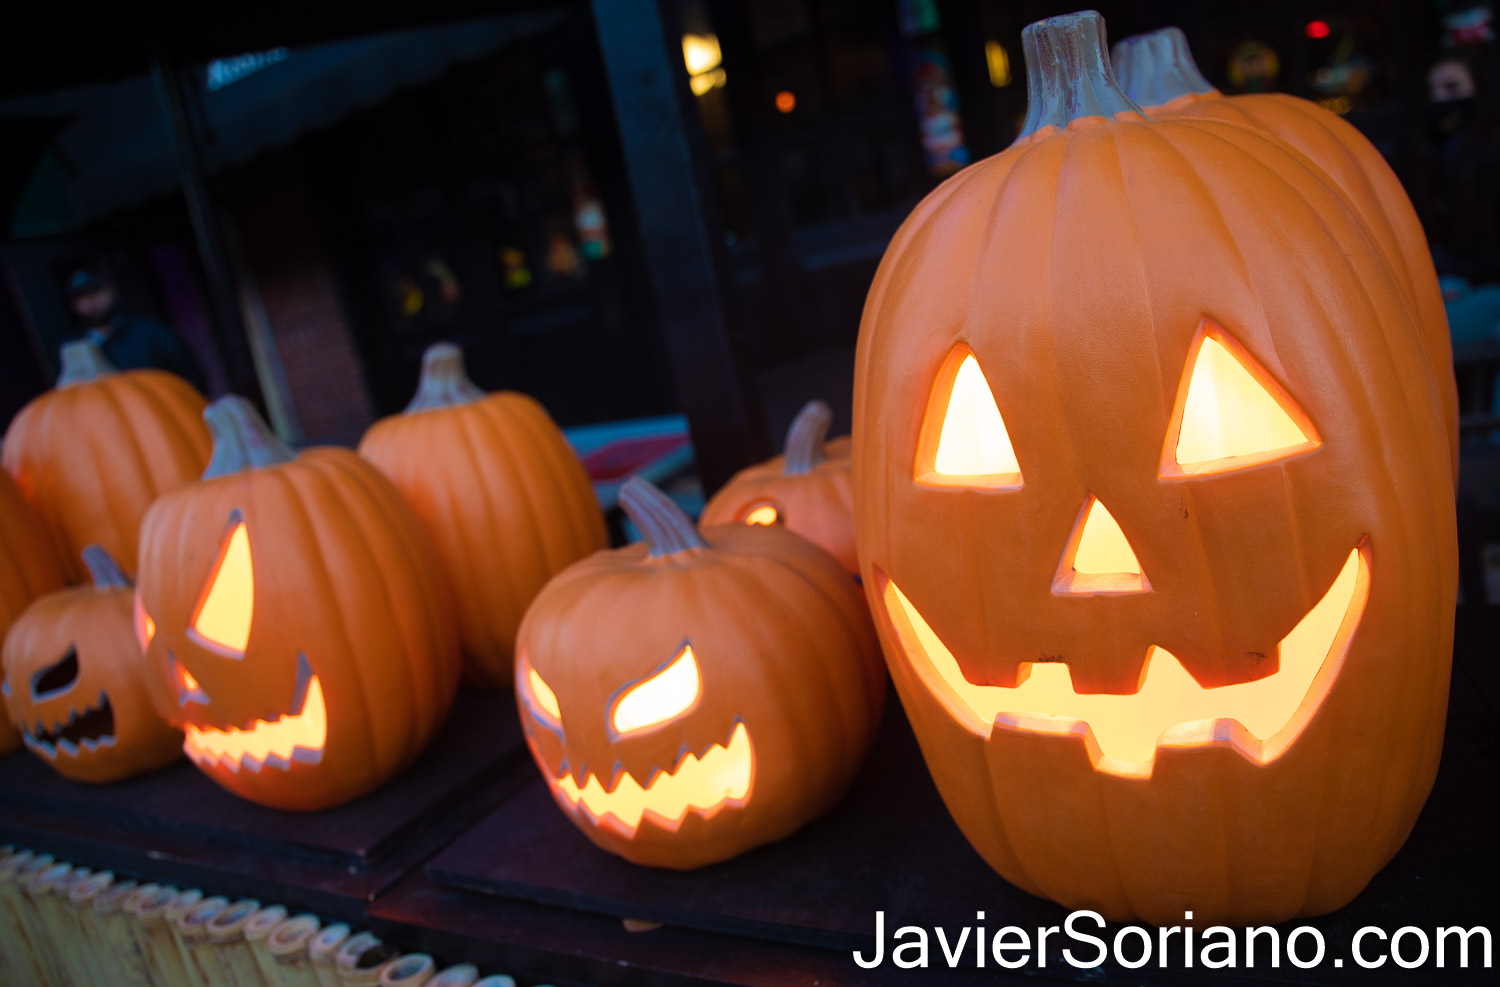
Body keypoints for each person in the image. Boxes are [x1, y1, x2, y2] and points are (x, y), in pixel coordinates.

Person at [67, 268, 206, 391]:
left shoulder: (149, 331)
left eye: (96, 292)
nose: (92, 301)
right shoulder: (74, 350)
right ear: (75, 305)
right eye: (83, 296)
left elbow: (190, 372)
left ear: (111, 291)